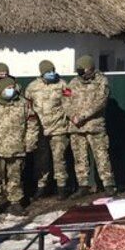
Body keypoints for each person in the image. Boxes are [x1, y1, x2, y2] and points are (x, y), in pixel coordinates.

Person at [0, 77, 40, 216]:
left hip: (16, 148)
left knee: (15, 177)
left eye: (12, 88)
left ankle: (15, 202)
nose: (11, 90)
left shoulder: (23, 104)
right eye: (8, 88)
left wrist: (30, 142)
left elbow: (32, 125)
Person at [66, 55, 116, 195]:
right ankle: (83, 186)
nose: (81, 72)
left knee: (101, 155)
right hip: (76, 127)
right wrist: (72, 116)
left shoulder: (101, 81)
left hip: (95, 126)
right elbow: (65, 100)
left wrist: (82, 116)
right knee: (80, 157)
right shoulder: (73, 83)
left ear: (91, 68)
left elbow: (100, 102)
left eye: (83, 69)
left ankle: (108, 185)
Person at [24, 60, 71, 198]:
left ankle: (62, 187)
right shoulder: (32, 87)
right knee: (41, 159)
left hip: (58, 128)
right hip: (40, 130)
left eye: (52, 70)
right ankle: (41, 186)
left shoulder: (63, 85)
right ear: (42, 73)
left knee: (59, 158)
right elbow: (28, 107)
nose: (51, 73)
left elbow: (70, 102)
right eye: (48, 72)